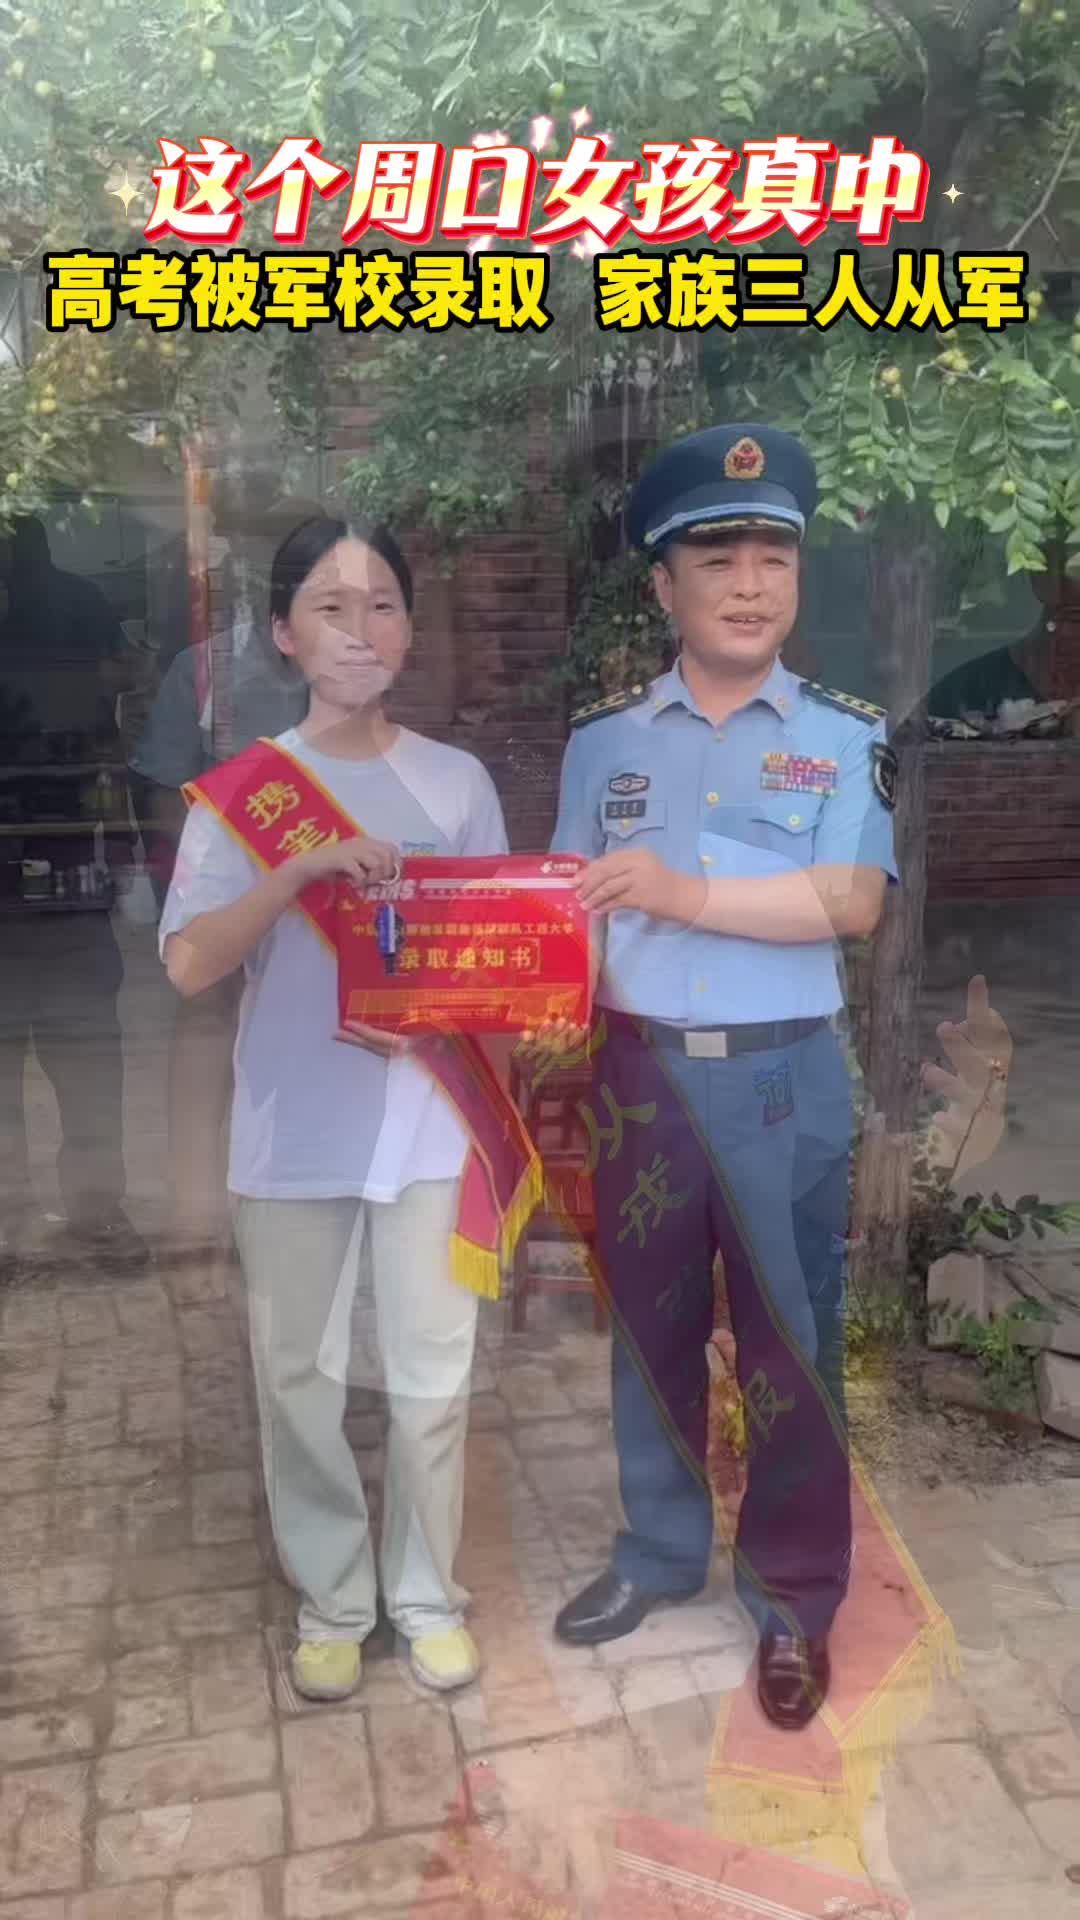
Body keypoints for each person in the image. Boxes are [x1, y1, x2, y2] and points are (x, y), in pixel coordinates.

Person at [545, 424, 897, 1731]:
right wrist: (469, 982)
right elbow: (565, 916)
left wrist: (679, 891)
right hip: (639, 1077)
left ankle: (795, 1596)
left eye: (772, 559)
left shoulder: (843, 738)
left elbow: (851, 901)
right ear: (665, 585)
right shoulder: (602, 747)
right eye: (717, 560)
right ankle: (657, 1553)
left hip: (780, 1082)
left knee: (789, 1343)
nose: (749, 585)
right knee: (650, 1332)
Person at [159, 513, 507, 1702]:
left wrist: (435, 1016)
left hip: (427, 1129)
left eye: (383, 606)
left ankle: (426, 1598)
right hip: (293, 1131)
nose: (361, 631)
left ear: (409, 630)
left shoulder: (456, 783)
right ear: (283, 634)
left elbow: (493, 960)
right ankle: (334, 1602)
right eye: (331, 607)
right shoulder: (242, 798)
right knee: (296, 1379)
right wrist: (299, 869)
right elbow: (189, 963)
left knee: (431, 1376)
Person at [129, 624, 308, 1256]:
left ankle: (300, 1216)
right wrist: (205, 880)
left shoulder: (349, 667)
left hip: (324, 905)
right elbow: (164, 793)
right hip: (229, 893)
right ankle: (195, 1219)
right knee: (205, 1032)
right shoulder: (204, 667)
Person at [0, 515, 147, 1272]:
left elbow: (119, 685)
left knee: (86, 1057)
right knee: (85, 1059)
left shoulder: (75, 601)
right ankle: (86, 1217)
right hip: (62, 870)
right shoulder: (79, 600)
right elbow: (124, 677)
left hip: (66, 869)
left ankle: (84, 1215)